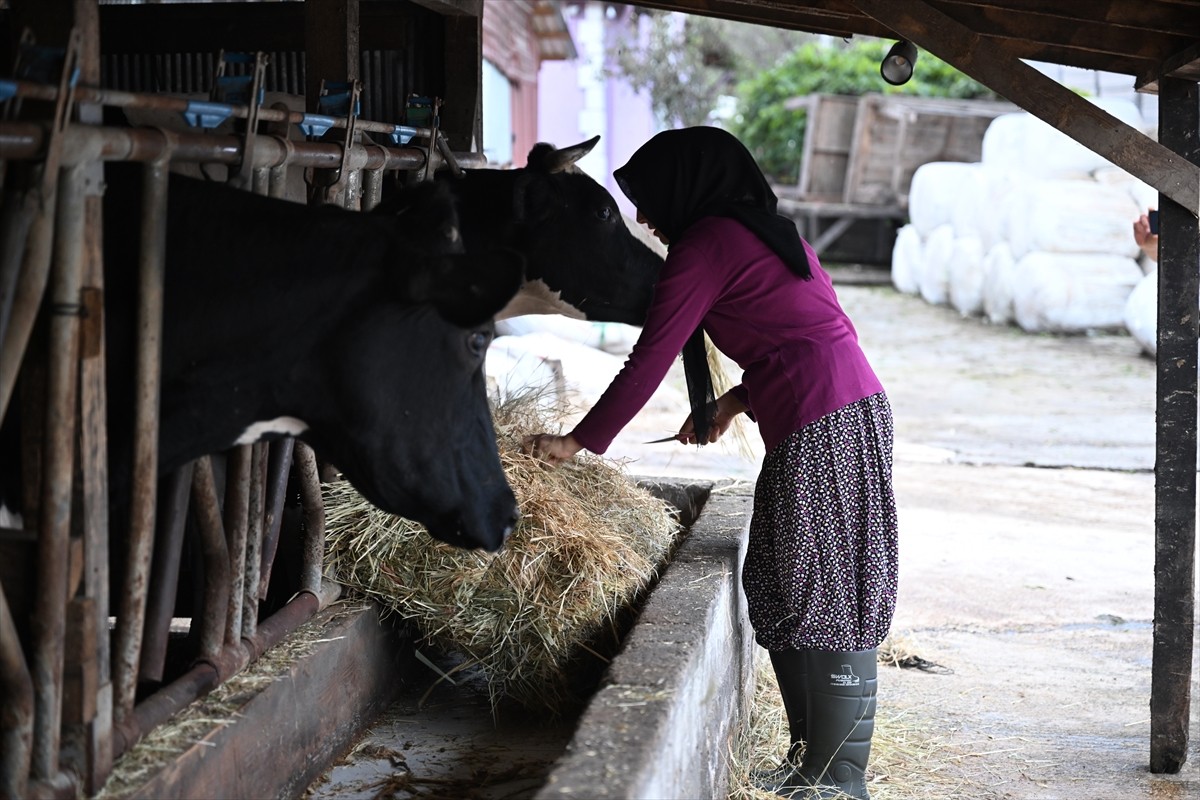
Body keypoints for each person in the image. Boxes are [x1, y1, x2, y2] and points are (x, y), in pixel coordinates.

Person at [523, 126, 898, 800]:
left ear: (685, 186)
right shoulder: (771, 235)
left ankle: (838, 782)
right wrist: (732, 401)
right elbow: (807, 337)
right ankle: (811, 765)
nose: (643, 217)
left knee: (822, 588)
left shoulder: (707, 242)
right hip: (841, 409)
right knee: (785, 582)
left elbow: (651, 355)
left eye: (647, 198)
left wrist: (579, 441)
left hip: (825, 421)